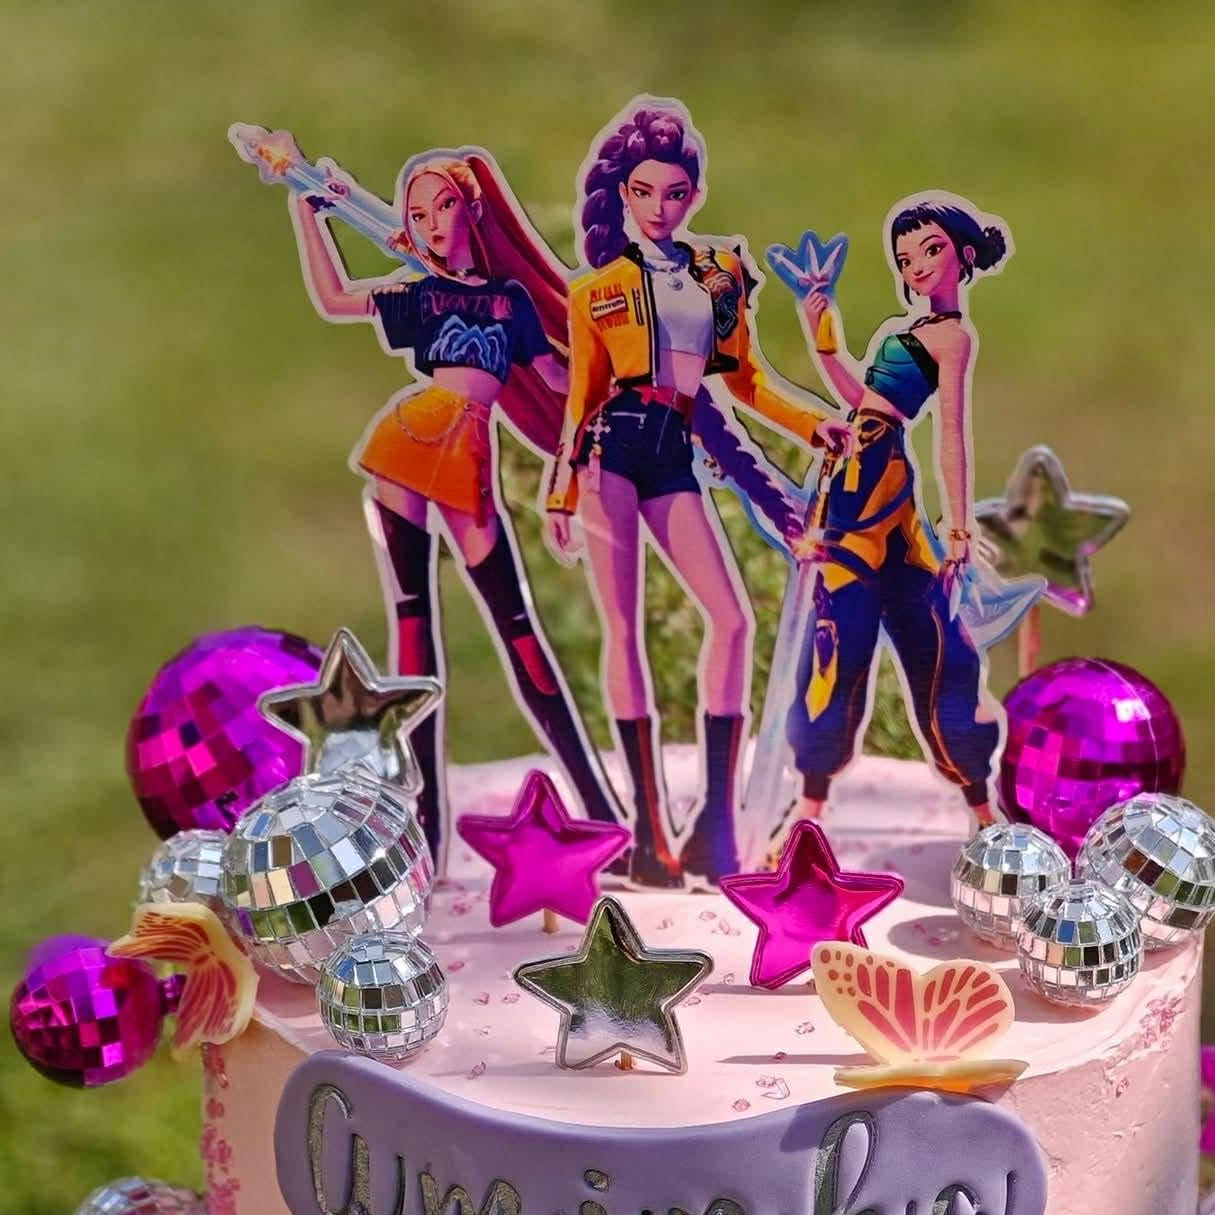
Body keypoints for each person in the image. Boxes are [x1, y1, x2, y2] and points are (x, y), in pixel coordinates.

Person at [265, 133, 621, 852]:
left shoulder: (509, 301)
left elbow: (560, 380)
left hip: (468, 455)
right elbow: (335, 300)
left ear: (472, 211)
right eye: (419, 214)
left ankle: (597, 802)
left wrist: (606, 366)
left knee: (517, 625)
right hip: (406, 443)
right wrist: (307, 209)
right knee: (412, 628)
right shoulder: (419, 296)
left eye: (444, 208)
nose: (431, 225)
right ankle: (424, 826)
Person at [545, 97, 853, 886]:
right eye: (644, 192)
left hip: (671, 450)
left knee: (733, 619)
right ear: (624, 194)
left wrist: (810, 421)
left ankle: (714, 825)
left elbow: (747, 380)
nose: (659, 208)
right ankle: (648, 832)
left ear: (694, 195)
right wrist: (558, 492)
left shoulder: (718, 273)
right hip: (610, 451)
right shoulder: (597, 290)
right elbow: (581, 398)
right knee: (623, 630)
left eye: (675, 194)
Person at [783, 192, 1010, 828]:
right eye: (906, 259)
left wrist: (958, 528)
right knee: (837, 639)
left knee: (937, 639)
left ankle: (982, 809)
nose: (917, 267)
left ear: (963, 255)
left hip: (887, 482)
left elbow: (951, 432)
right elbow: (859, 398)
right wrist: (822, 330)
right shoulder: (897, 333)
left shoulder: (953, 339)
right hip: (852, 480)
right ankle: (808, 809)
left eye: (930, 251)